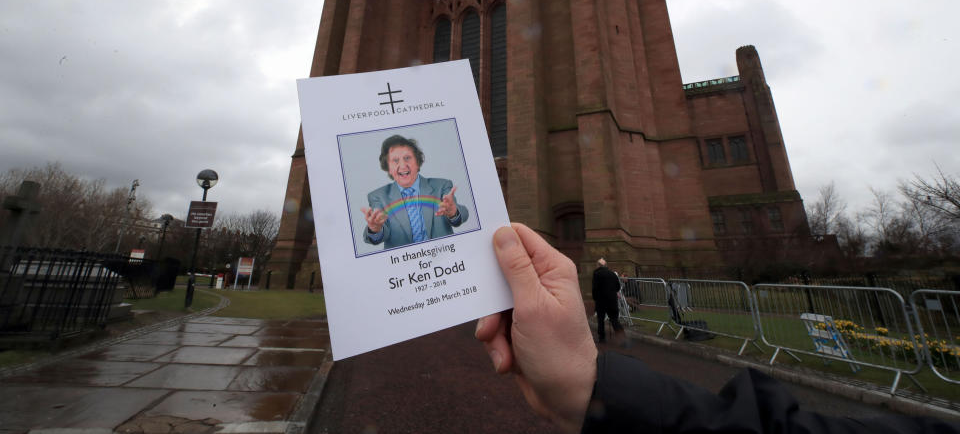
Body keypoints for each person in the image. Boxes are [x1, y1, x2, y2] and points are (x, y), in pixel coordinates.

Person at [475, 224, 960, 433]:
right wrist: (593, 388)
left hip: (605, 329)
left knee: (603, 322)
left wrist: (597, 391)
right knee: (604, 322)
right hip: (605, 328)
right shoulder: (606, 273)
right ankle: (609, 336)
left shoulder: (603, 274)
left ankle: (609, 337)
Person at [362, 134, 468, 249]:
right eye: (395, 160)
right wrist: (375, 230)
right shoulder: (378, 196)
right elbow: (380, 230)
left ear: (417, 162)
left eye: (407, 158)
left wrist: (453, 213)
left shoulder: (441, 186)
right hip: (403, 262)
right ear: (388, 168)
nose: (402, 165)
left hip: (443, 255)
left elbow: (463, 214)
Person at [591, 257, 622, 343]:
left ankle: (602, 338)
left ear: (599, 265)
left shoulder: (596, 274)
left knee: (600, 320)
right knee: (614, 320)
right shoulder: (612, 274)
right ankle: (622, 338)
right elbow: (618, 287)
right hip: (612, 300)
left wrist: (595, 298)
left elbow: (595, 288)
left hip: (601, 301)